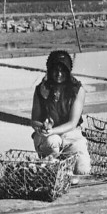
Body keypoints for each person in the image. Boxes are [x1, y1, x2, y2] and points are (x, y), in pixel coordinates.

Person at [31, 50, 91, 178]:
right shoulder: (41, 89)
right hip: (48, 137)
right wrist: (43, 127)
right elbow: (34, 120)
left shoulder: (78, 90)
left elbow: (73, 123)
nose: (59, 74)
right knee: (53, 142)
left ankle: (65, 166)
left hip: (71, 133)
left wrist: (53, 130)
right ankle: (53, 169)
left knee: (83, 170)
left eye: (63, 70)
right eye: (55, 70)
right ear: (49, 70)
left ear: (68, 71)